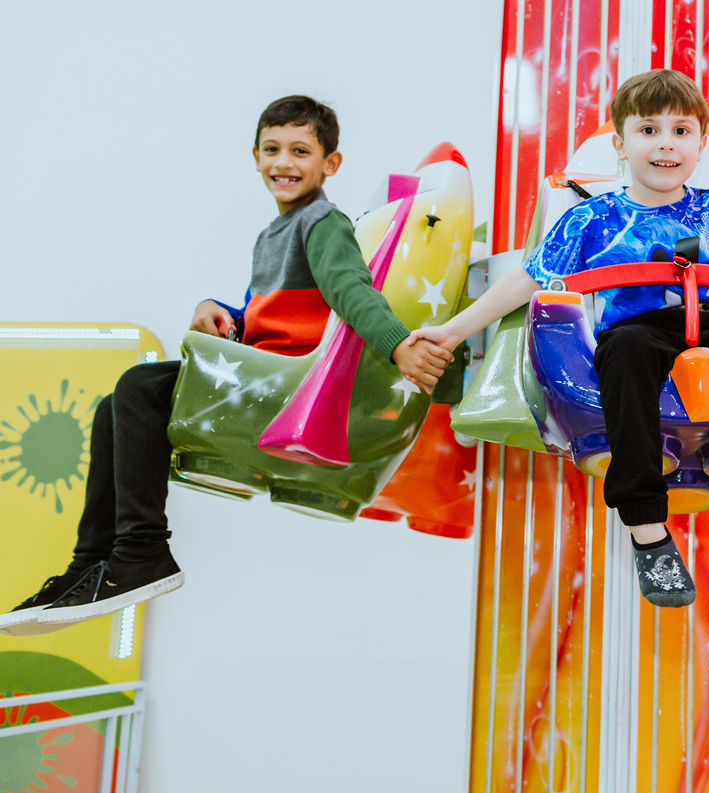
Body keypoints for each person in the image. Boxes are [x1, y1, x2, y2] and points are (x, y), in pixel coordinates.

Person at [411, 70, 709, 608]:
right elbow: (528, 279)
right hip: (639, 330)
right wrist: (453, 330)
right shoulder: (589, 217)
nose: (666, 142)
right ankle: (648, 532)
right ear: (620, 144)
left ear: (700, 145)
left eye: (681, 130)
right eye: (648, 130)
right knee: (623, 353)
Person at [0, 95, 453, 636]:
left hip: (290, 384)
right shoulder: (274, 234)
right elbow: (276, 316)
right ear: (256, 157)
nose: (284, 162)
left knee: (139, 386)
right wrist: (227, 317)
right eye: (272, 149)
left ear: (330, 163)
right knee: (111, 408)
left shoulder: (323, 221)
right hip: (267, 367)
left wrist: (398, 343)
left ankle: (141, 551)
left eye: (300, 151)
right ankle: (93, 563)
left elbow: (350, 291)